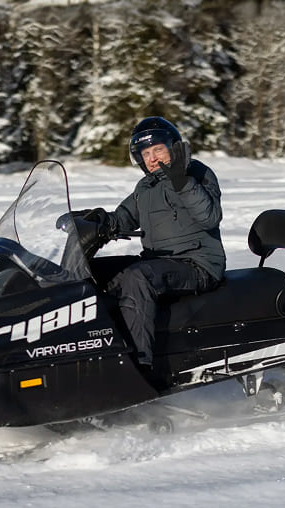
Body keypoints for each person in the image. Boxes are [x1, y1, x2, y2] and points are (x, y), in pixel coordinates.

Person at [79, 116, 225, 375]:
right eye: (146, 153)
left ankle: (139, 367)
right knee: (92, 271)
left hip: (198, 263)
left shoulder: (197, 173)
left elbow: (209, 216)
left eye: (158, 149)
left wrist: (182, 182)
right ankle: (90, 350)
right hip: (158, 260)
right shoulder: (146, 185)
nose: (153, 158)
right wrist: (94, 221)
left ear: (173, 147)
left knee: (138, 277)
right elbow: (122, 218)